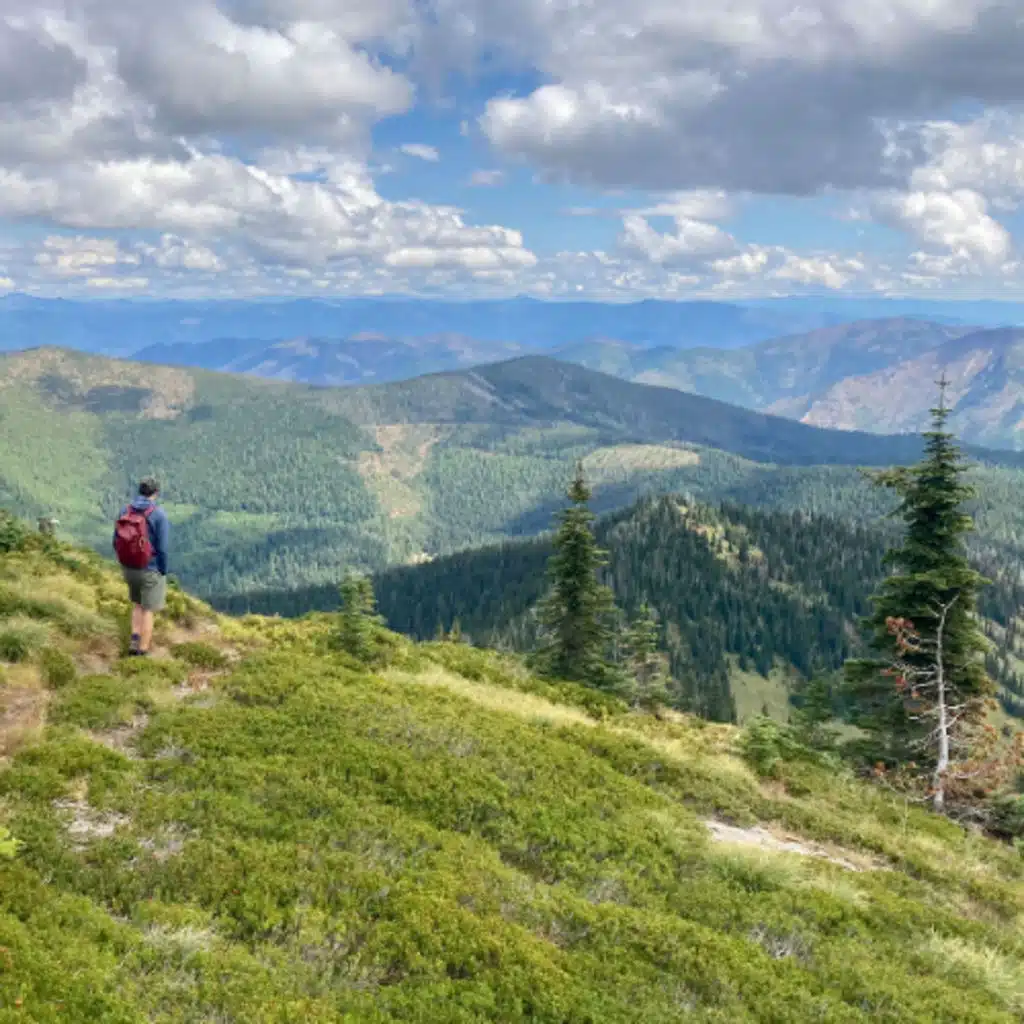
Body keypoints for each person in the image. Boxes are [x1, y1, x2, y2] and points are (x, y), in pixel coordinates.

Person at [113, 478, 169, 657]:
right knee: (148, 610)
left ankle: (134, 641)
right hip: (149, 568)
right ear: (156, 493)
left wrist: (125, 561)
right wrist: (162, 570)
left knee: (137, 604)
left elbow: (116, 540)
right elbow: (162, 548)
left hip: (129, 567)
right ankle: (142, 651)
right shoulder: (158, 514)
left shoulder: (125, 511)